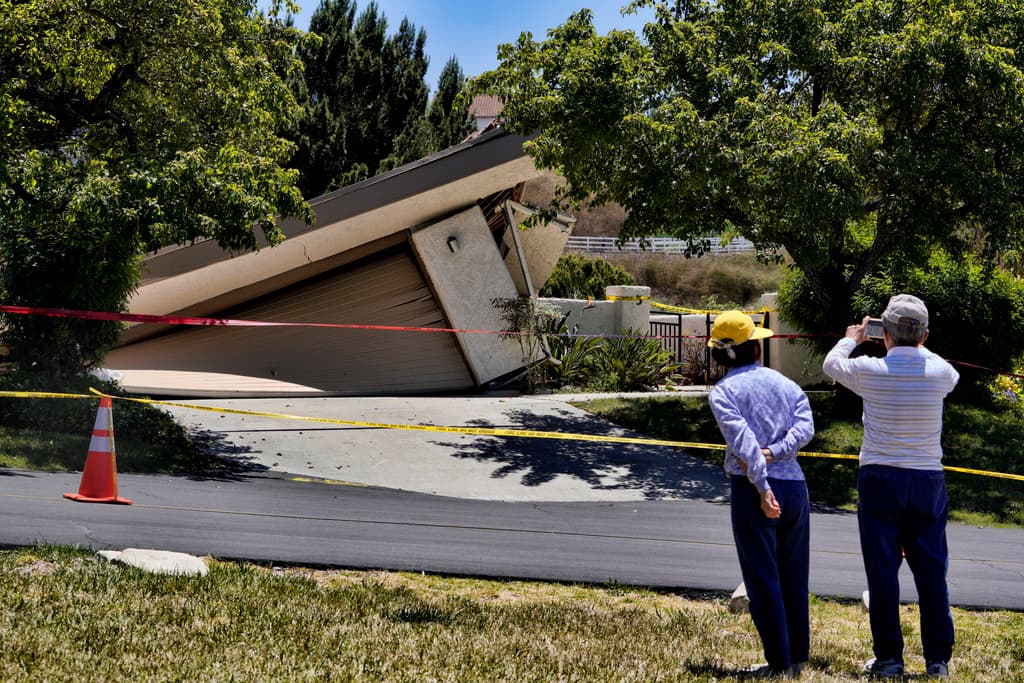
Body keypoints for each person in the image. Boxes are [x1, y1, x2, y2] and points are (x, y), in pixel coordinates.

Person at [822, 294, 959, 679]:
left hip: (880, 476)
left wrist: (853, 337)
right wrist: (917, 345)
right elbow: (949, 372)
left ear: (885, 334)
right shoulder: (939, 374)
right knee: (932, 573)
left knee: (882, 572)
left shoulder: (870, 370)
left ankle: (889, 660)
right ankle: (937, 661)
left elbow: (831, 364)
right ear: (925, 336)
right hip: (927, 478)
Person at [707, 310, 815, 678]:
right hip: (796, 486)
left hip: (754, 490)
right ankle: (798, 656)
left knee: (762, 577)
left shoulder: (723, 393)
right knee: (794, 575)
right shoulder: (787, 385)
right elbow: (805, 428)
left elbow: (743, 443)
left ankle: (779, 663)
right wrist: (781, 450)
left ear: (723, 354)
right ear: (754, 347)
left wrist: (762, 486)